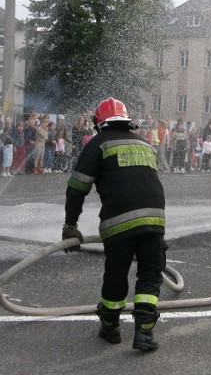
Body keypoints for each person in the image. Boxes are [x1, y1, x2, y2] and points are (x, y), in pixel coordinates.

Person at [62, 97, 167, 351]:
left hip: (118, 220)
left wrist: (70, 226)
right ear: (126, 119)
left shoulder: (99, 143)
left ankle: (110, 327)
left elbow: (77, 186)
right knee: (150, 275)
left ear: (100, 123)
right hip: (155, 218)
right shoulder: (144, 143)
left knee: (116, 276)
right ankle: (145, 333)